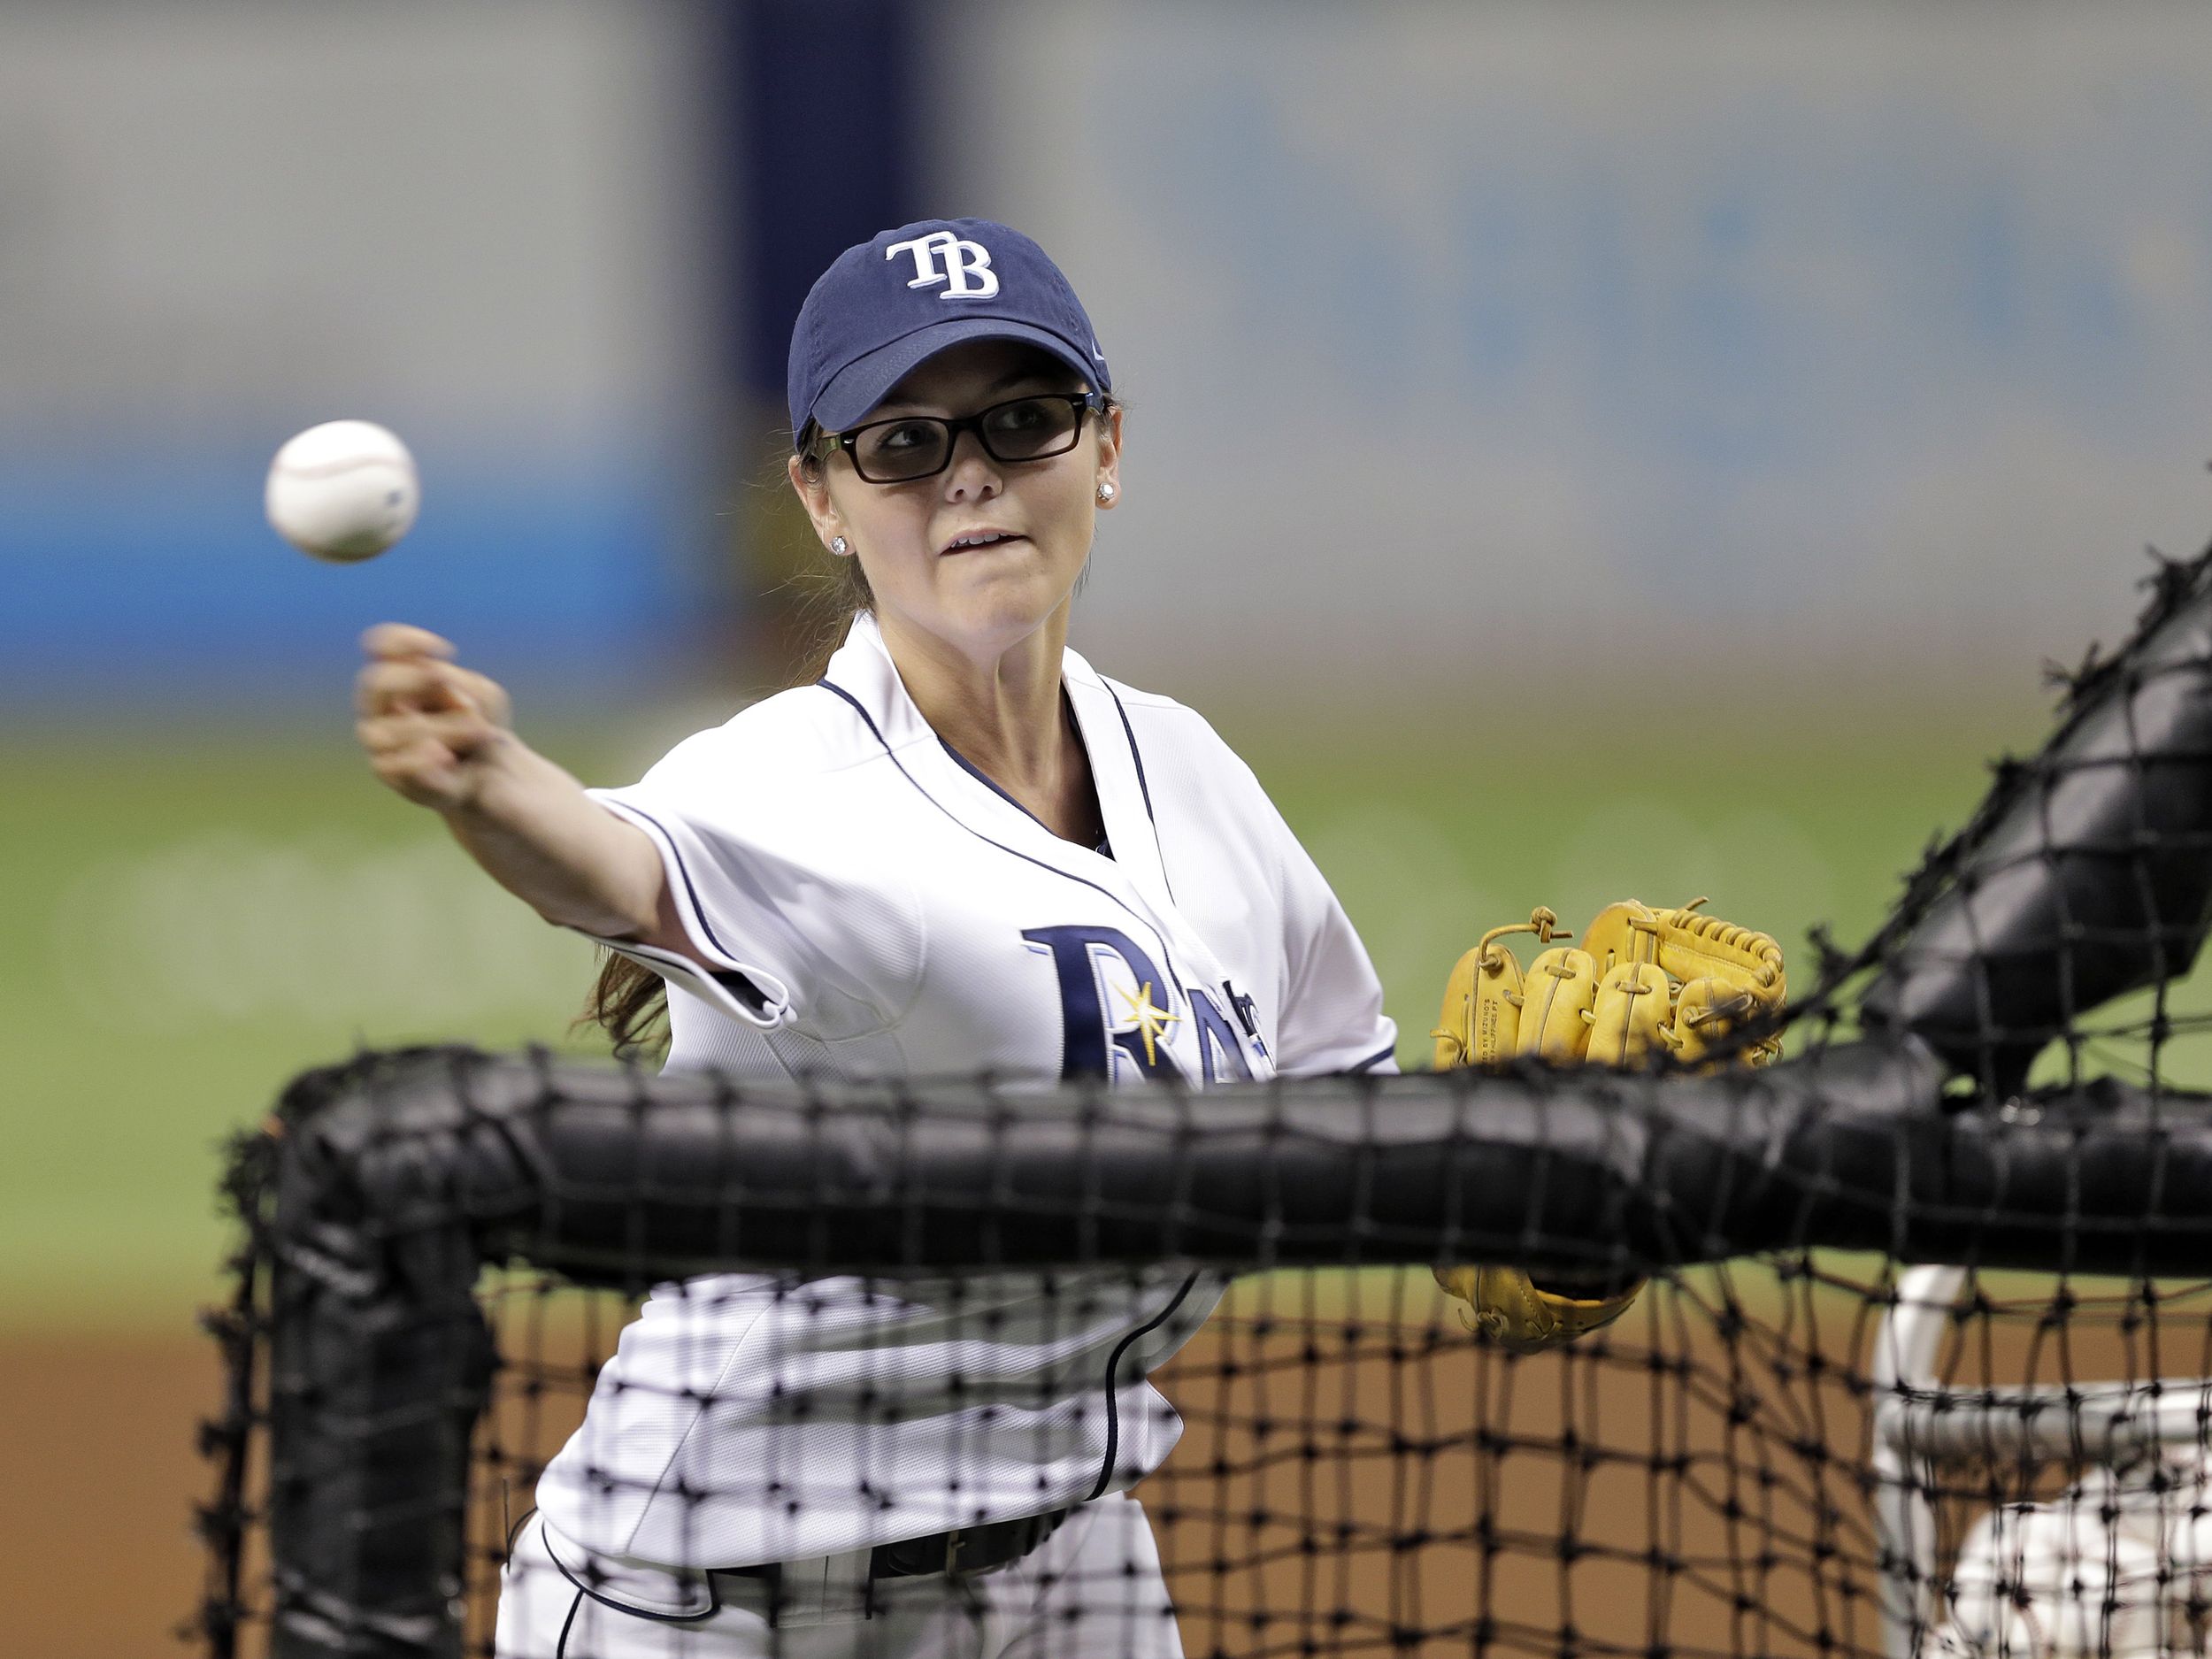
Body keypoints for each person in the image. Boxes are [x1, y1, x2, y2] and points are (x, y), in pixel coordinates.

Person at [354, 219, 1397, 1658]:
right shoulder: (801, 783)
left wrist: (1564, 1199)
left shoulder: (1191, 773)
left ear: (1104, 448)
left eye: (1022, 421)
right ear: (824, 500)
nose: (970, 473)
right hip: (722, 1606)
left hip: (1070, 1576)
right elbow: (615, 865)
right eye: (902, 442)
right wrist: (490, 780)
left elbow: (1364, 1105)